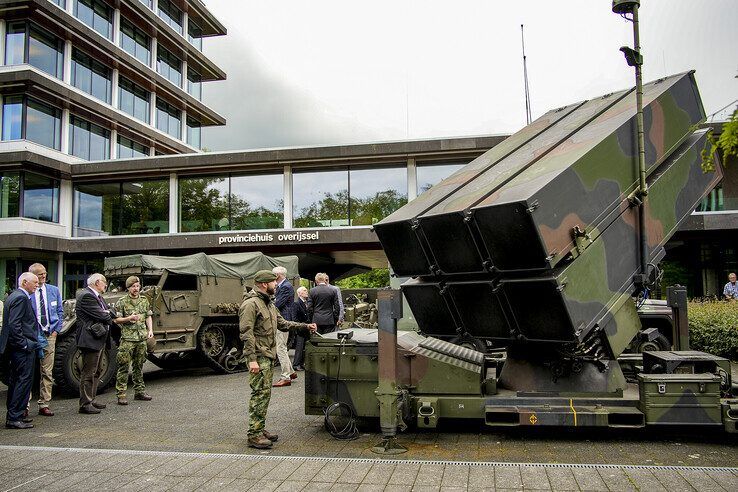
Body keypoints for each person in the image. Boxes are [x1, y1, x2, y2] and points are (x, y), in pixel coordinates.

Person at [239, 270, 316, 449]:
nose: (277, 285)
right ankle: (254, 434)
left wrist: (305, 326)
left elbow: (283, 323)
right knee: (259, 395)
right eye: (274, 282)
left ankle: (260, 428)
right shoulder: (251, 304)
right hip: (258, 356)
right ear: (265, 284)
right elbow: (246, 333)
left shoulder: (269, 304)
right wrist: (251, 359)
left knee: (265, 394)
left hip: (267, 355)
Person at [75, 273, 137, 414]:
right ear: (97, 282)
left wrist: (108, 311)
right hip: (90, 339)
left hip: (99, 338)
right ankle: (85, 403)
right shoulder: (87, 296)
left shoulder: (97, 296)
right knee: (88, 372)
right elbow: (104, 315)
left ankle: (92, 398)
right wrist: (108, 312)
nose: (106, 285)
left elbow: (109, 310)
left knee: (97, 371)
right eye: (104, 282)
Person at [1, 272, 40, 429]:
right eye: (35, 282)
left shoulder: (13, 296)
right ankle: (14, 417)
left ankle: (15, 414)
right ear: (24, 282)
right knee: (22, 381)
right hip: (21, 349)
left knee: (17, 381)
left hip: (17, 348)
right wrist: (24, 344)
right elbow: (14, 324)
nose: (37, 285)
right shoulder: (21, 298)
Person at [27, 263, 63, 417]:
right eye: (40, 274)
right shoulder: (27, 292)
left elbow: (60, 311)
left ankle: (44, 403)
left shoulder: (53, 291)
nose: (43, 276)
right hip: (31, 336)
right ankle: (25, 404)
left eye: (44, 273)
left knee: (47, 371)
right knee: (27, 371)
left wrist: (56, 331)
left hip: (49, 335)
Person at [114, 276, 154, 405]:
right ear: (128, 288)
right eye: (133, 287)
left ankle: (139, 392)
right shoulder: (122, 301)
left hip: (141, 337)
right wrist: (128, 319)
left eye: (137, 286)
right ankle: (121, 394)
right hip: (128, 339)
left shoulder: (144, 300)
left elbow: (148, 316)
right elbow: (116, 320)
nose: (136, 289)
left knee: (139, 366)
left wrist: (150, 330)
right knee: (124, 366)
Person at [272, 266, 296, 387]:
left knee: (280, 348)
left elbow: (277, 304)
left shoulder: (285, 286)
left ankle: (285, 377)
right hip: (284, 319)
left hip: (283, 320)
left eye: (273, 275)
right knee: (282, 347)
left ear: (277, 276)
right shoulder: (284, 285)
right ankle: (291, 372)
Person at [291, 286, 310, 371]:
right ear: (299, 293)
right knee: (299, 347)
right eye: (304, 290)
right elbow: (294, 318)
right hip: (300, 329)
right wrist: (299, 327)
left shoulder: (306, 303)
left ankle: (301, 364)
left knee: (304, 348)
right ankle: (296, 364)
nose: (307, 292)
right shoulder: (296, 303)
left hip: (306, 328)